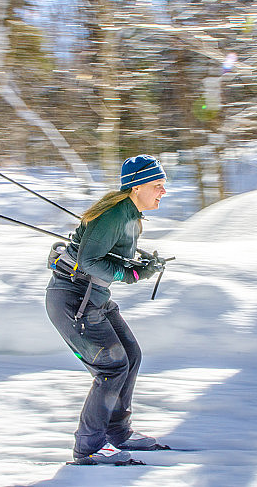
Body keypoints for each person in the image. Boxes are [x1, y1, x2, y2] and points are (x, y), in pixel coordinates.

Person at [45, 154, 168, 465]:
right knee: (111, 368)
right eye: (158, 184)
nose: (163, 191)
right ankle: (89, 445)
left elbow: (107, 254)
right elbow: (88, 262)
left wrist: (139, 263)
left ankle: (117, 432)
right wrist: (131, 274)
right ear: (138, 186)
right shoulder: (115, 214)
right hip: (75, 301)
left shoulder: (128, 215)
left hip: (92, 297)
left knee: (131, 355)